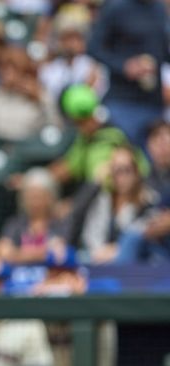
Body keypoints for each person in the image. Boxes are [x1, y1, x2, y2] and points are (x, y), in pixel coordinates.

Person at [87, 0, 169, 149]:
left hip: (154, 103)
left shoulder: (159, 8)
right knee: (127, 157)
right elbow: (93, 47)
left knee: (157, 163)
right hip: (123, 101)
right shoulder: (116, 7)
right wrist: (124, 66)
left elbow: (162, 50)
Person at [62, 146, 162, 264]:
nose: (121, 177)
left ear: (136, 172)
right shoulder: (102, 200)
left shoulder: (148, 200)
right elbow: (75, 218)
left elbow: (145, 234)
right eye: (116, 171)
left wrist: (117, 249)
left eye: (126, 170)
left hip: (133, 266)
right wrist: (96, 182)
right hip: (95, 258)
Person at [47, 85, 149, 191]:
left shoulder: (115, 136)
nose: (82, 126)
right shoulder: (83, 139)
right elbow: (68, 169)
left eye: (83, 120)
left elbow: (138, 170)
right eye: (78, 123)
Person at [0, 167, 66, 264]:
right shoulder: (15, 223)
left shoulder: (60, 223)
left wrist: (16, 255)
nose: (34, 202)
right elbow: (0, 250)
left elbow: (60, 252)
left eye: (39, 197)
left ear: (50, 198)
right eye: (30, 197)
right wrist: (41, 253)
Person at [0, 46, 60, 142]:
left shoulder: (38, 93)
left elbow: (56, 125)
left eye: (12, 68)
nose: (5, 73)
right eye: (3, 68)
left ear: (24, 70)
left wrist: (41, 98)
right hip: (1, 143)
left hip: (31, 147)